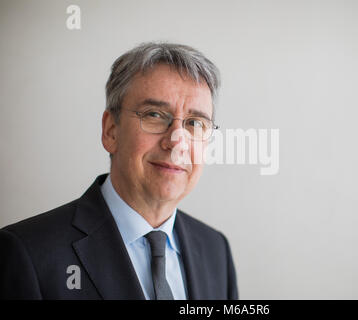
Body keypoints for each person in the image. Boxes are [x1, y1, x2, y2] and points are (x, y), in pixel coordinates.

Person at [0, 42, 238, 300]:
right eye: (155, 115)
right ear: (111, 130)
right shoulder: (27, 252)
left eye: (194, 123)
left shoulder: (216, 250)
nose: (177, 141)